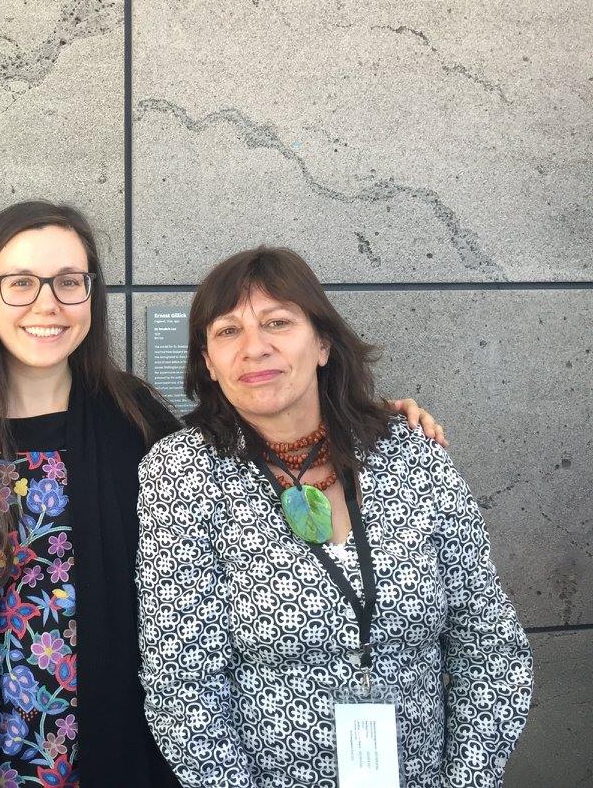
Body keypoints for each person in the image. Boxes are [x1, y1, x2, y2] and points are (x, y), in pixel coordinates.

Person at [0, 203, 442, 788]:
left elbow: (255, 437)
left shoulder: (136, 420)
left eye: (68, 282)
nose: (46, 304)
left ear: (91, 295)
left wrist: (367, 423)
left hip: (127, 761)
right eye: (21, 282)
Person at [136, 246, 532, 788]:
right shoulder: (183, 474)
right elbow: (183, 683)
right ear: (207, 361)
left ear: (322, 343)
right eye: (227, 332)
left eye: (278, 322)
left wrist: (465, 781)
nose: (255, 348)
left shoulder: (410, 453)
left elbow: (489, 643)